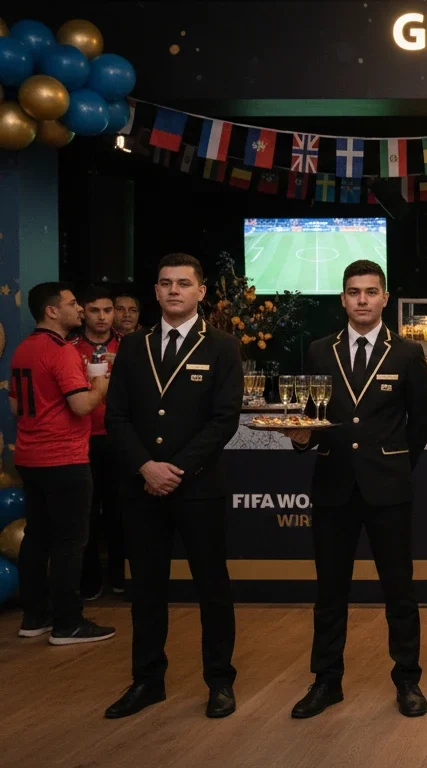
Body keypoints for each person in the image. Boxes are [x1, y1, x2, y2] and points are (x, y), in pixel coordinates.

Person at [283, 260, 427, 719]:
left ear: (385, 298)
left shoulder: (407, 353)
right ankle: (326, 681)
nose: (363, 300)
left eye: (371, 292)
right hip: (332, 485)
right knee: (330, 591)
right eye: (354, 292)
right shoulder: (318, 350)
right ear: (343, 299)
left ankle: (407, 680)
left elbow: (421, 424)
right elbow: (311, 415)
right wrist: (303, 438)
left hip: (388, 488)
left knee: (399, 591)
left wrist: (392, 463)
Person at [103, 253, 244, 720]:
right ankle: (147, 681)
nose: (173, 291)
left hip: (198, 486)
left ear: (201, 292)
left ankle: (219, 682)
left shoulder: (222, 346)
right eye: (165, 283)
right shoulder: (134, 345)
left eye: (184, 283)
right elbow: (116, 416)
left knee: (212, 588)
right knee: (146, 589)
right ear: (156, 291)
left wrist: (174, 469)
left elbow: (223, 420)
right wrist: (146, 466)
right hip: (142, 489)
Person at [10, 282, 115, 645]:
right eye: (72, 304)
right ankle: (68, 622)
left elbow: (14, 406)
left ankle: (35, 616)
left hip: (29, 455)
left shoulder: (24, 348)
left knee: (37, 537)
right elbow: (82, 405)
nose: (80, 310)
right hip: (63, 458)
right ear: (52, 311)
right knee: (71, 542)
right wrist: (99, 384)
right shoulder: (61, 351)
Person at [69, 286, 125, 600]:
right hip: (83, 439)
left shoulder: (130, 345)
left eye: (108, 310)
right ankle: (89, 581)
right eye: (95, 310)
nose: (102, 317)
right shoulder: (70, 347)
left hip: (120, 440)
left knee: (121, 511)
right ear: (84, 313)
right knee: (86, 513)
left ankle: (121, 576)